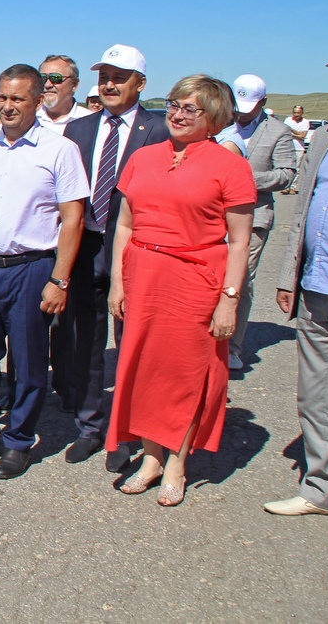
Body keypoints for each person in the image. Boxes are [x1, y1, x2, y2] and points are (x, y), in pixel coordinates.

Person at [106, 75, 255, 507]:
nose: (178, 113)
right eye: (174, 104)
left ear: (215, 117)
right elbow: (126, 225)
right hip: (143, 276)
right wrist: (119, 281)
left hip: (196, 281)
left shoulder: (230, 165)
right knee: (143, 370)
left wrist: (229, 300)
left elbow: (240, 241)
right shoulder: (144, 157)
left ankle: (176, 462)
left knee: (185, 375)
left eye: (191, 108)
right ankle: (150, 458)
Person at [0, 64, 88, 480]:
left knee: (28, 362)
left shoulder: (58, 150)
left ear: (37, 100)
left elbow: (73, 217)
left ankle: (18, 441)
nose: (9, 107)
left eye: (19, 99)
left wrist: (59, 278)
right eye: (3, 98)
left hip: (31, 268)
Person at [56, 44, 167, 465]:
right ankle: (89, 425)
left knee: (131, 342)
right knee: (86, 340)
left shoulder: (157, 131)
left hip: (134, 250)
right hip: (85, 247)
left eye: (120, 77)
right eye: (105, 75)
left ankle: (127, 431)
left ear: (140, 83)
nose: (109, 83)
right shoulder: (80, 130)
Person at [271, 64, 328, 534]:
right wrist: (287, 275)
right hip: (317, 285)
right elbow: (307, 209)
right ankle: (323, 490)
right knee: (318, 397)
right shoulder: (326, 136)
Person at [225, 74, 297, 371]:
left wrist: (247, 180)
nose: (242, 112)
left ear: (263, 103)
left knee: (240, 279)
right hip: (214, 214)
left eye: (249, 106)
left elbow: (287, 173)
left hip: (255, 215)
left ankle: (231, 346)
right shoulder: (220, 124)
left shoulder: (278, 132)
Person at [35, 54, 91, 135]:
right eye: (43, 78)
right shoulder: (27, 119)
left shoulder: (91, 122)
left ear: (74, 84)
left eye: (56, 78)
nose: (47, 85)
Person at [283, 105, 309, 194]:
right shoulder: (288, 120)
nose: (296, 114)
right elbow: (285, 133)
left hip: (299, 148)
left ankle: (293, 187)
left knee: (297, 168)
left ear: (302, 113)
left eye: (298, 113)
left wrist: (292, 131)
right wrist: (298, 135)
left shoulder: (305, 122)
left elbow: (303, 136)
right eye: (294, 112)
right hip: (288, 146)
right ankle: (286, 186)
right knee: (287, 166)